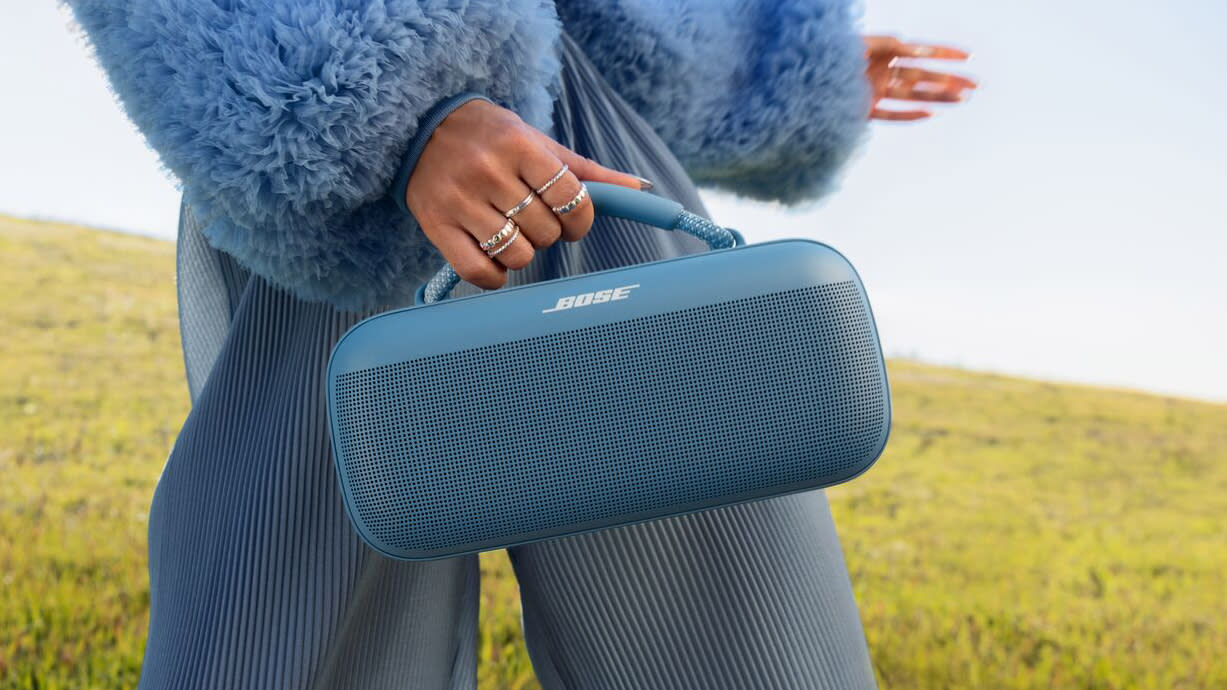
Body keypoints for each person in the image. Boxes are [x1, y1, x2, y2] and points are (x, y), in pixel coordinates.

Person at [63, 1, 974, 688]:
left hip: (563, 145)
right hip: (352, 168)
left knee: (743, 626)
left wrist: (775, 71)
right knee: (296, 631)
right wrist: (382, 114)